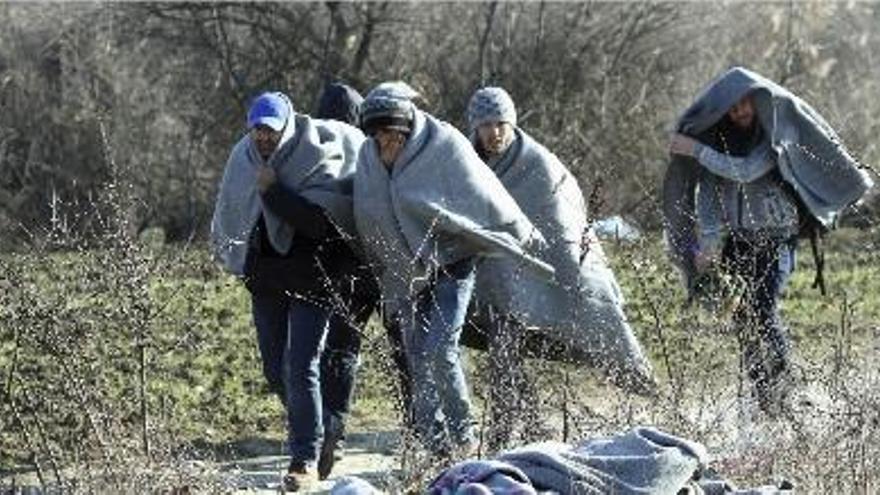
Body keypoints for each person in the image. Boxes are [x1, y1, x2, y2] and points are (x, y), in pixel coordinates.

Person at [352, 83, 552, 457]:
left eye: (392, 135)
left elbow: (485, 194)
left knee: (441, 347)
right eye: (378, 136)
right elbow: (369, 212)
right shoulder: (367, 158)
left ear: (405, 128)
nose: (386, 143)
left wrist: (521, 233)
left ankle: (463, 435)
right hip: (404, 269)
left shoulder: (443, 145)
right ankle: (436, 445)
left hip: (453, 262)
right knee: (415, 355)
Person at [663, 67, 873, 415]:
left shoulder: (772, 137)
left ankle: (783, 388)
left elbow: (746, 170)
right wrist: (709, 245)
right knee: (743, 318)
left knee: (763, 308)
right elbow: (710, 197)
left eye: (746, 105)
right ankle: (764, 394)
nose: (741, 112)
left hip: (777, 240)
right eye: (733, 108)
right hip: (738, 241)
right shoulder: (717, 141)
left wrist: (695, 151)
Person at [465, 87, 655, 450]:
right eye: (486, 125)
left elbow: (561, 222)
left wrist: (569, 271)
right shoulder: (466, 162)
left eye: (501, 123)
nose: (495, 133)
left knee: (505, 348)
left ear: (512, 123)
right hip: (489, 274)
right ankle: (528, 427)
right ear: (474, 127)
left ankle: (502, 437)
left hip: (535, 271)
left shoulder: (537, 164)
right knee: (502, 351)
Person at [211, 91, 364, 490]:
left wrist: (275, 192)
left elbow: (320, 223)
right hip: (267, 278)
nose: (263, 139)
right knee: (275, 370)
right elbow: (233, 210)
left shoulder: (312, 153)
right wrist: (240, 260)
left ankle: (304, 459)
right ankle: (323, 427)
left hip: (315, 274)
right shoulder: (242, 157)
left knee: (302, 366)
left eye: (271, 131)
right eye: (257, 130)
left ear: (287, 128)